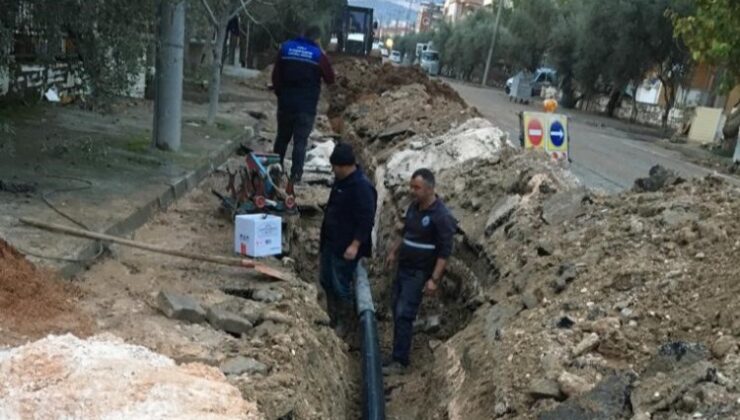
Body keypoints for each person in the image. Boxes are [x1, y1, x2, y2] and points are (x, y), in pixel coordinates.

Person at [384, 168, 457, 375]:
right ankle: (396, 354)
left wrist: (434, 279)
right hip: (403, 267)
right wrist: (393, 252)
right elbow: (404, 231)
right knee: (396, 309)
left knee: (404, 313)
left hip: (418, 273)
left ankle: (400, 361)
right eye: (411, 186)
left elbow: (445, 252)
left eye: (417, 188)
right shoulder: (414, 207)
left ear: (429, 189)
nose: (412, 191)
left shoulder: (441, 216)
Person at [319, 143, 377, 336]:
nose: (333, 171)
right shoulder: (341, 181)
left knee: (340, 285)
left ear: (344, 165)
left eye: (335, 167)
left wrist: (355, 245)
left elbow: (366, 219)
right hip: (330, 243)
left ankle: (345, 325)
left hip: (345, 247)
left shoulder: (362, 187)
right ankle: (332, 317)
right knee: (326, 280)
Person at [271, 25, 336, 184]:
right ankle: (295, 177)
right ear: (317, 39)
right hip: (306, 107)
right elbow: (330, 78)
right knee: (300, 142)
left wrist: (281, 95)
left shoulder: (286, 48)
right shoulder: (318, 55)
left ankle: (274, 172)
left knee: (281, 139)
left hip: (286, 104)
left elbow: (275, 77)